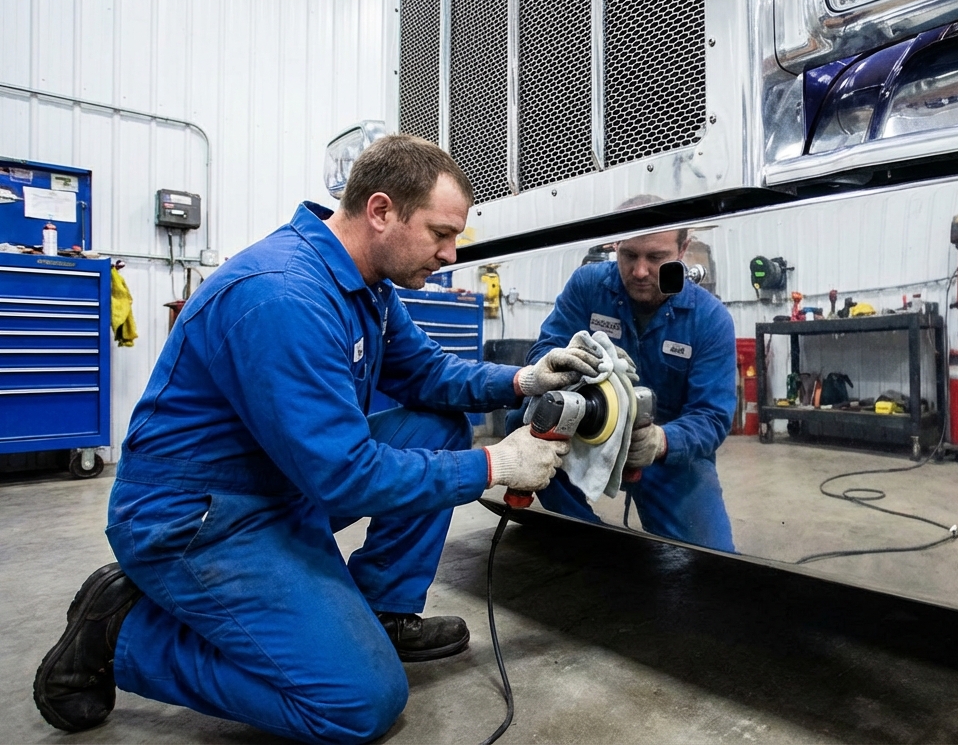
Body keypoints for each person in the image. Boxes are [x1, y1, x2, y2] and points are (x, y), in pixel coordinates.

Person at [32, 135, 598, 743]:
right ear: (381, 212)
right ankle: (124, 635)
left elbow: (425, 375)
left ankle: (381, 612)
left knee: (435, 424)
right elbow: (344, 474)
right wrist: (492, 466)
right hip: (198, 519)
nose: (450, 253)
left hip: (278, 485)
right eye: (439, 233)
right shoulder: (283, 295)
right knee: (360, 704)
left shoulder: (367, 283)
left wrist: (524, 378)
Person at [527, 227, 737, 552]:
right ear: (615, 244)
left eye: (656, 258)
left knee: (714, 563)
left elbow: (711, 416)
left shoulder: (709, 319)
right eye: (628, 255)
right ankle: (589, 544)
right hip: (587, 433)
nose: (640, 271)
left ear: (683, 250)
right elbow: (545, 352)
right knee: (525, 421)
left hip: (664, 454)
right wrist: (558, 362)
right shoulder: (587, 287)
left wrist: (661, 442)